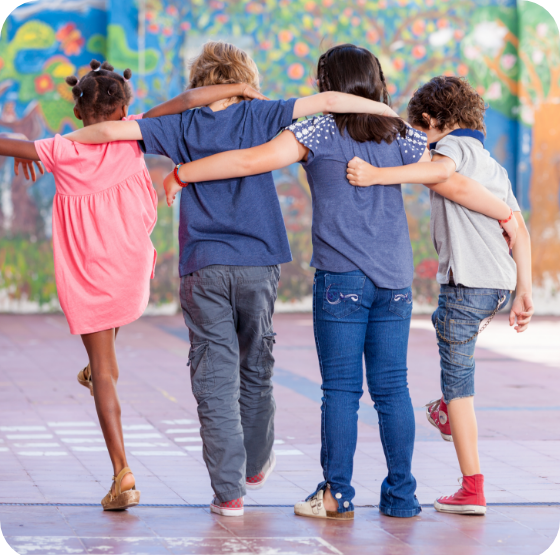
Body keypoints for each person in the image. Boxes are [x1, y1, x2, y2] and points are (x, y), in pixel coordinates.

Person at [158, 44, 518, 520]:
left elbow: (249, 162)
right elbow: (449, 179)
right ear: (376, 82)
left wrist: (183, 173)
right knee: (393, 389)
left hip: (341, 280)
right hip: (394, 280)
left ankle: (336, 496)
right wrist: (507, 217)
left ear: (329, 84)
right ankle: (402, 496)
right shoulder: (403, 134)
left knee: (342, 391)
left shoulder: (318, 129)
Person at [65, 41, 401, 517]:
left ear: (199, 80)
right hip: (259, 260)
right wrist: (384, 107)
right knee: (256, 362)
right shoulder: (264, 113)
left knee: (214, 376)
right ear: (243, 75)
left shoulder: (179, 124)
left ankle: (230, 494)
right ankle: (256, 464)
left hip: (203, 264)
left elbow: (108, 132)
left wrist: (58, 147)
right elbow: (328, 102)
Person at [0, 58, 267, 511]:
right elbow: (185, 101)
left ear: (78, 111)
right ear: (124, 108)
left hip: (88, 278)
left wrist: (28, 143)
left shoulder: (60, 149)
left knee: (105, 374)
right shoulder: (136, 133)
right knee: (105, 354)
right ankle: (96, 369)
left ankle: (122, 473)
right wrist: (241, 88)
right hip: (130, 272)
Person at [346, 75, 533, 515]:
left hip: (467, 282)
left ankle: (472, 486)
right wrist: (524, 288)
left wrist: (376, 175)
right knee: (457, 369)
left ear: (430, 121)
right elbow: (517, 227)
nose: (425, 143)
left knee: (459, 382)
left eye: (423, 132)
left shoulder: (452, 148)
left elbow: (439, 172)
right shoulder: (491, 162)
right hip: (496, 284)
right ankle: (448, 408)